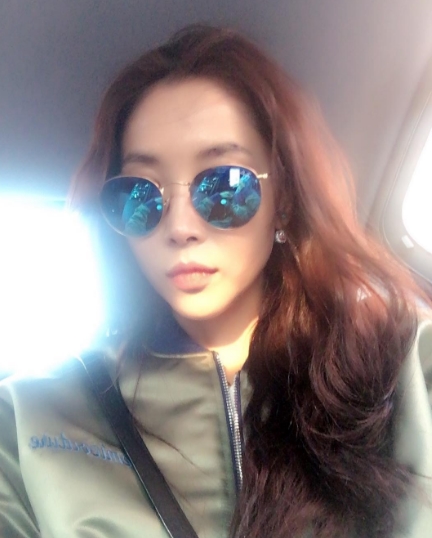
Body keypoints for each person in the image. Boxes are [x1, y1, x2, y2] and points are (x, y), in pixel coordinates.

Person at [1, 24, 431, 538]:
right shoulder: (29, 421)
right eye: (141, 195)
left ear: (283, 199)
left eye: (223, 185)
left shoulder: (405, 366)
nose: (180, 227)